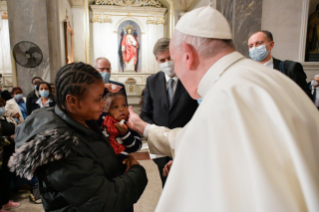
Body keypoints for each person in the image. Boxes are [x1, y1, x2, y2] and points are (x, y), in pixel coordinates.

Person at [127, 5, 319, 212]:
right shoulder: (266, 77)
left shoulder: (227, 93)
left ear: (188, 55)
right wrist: (145, 127)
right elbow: (196, 138)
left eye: (174, 60)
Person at [8, 62, 147, 212]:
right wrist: (136, 172)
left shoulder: (84, 120)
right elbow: (103, 202)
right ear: (72, 101)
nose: (102, 104)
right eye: (98, 98)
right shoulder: (61, 146)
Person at [140, 38, 198, 187]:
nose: (167, 62)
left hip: (187, 144)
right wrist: (159, 133)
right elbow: (145, 114)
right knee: (167, 186)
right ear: (157, 60)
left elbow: (199, 114)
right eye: (162, 60)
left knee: (188, 186)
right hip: (161, 149)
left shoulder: (191, 78)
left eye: (170, 58)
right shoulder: (152, 81)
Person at [248, 30, 312, 98]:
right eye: (251, 46)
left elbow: (305, 99)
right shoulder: (246, 71)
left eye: (259, 43)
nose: (254, 48)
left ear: (271, 45)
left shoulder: (290, 68)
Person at [101, 92, 142, 172]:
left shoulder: (130, 125)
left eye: (124, 105)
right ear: (106, 110)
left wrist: (125, 134)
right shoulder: (102, 123)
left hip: (123, 165)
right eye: (115, 107)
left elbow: (136, 146)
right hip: (105, 165)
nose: (121, 109)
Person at [0, 98, 20, 212]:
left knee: (6, 178)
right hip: (1, 154)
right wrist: (8, 139)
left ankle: (5, 201)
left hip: (9, 153)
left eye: (2, 105)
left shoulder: (7, 118)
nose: (1, 107)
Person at [95, 57, 127, 126]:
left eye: (108, 69)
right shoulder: (90, 88)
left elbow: (125, 109)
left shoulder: (119, 87)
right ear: (95, 70)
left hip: (116, 127)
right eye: (102, 69)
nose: (106, 72)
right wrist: (100, 87)